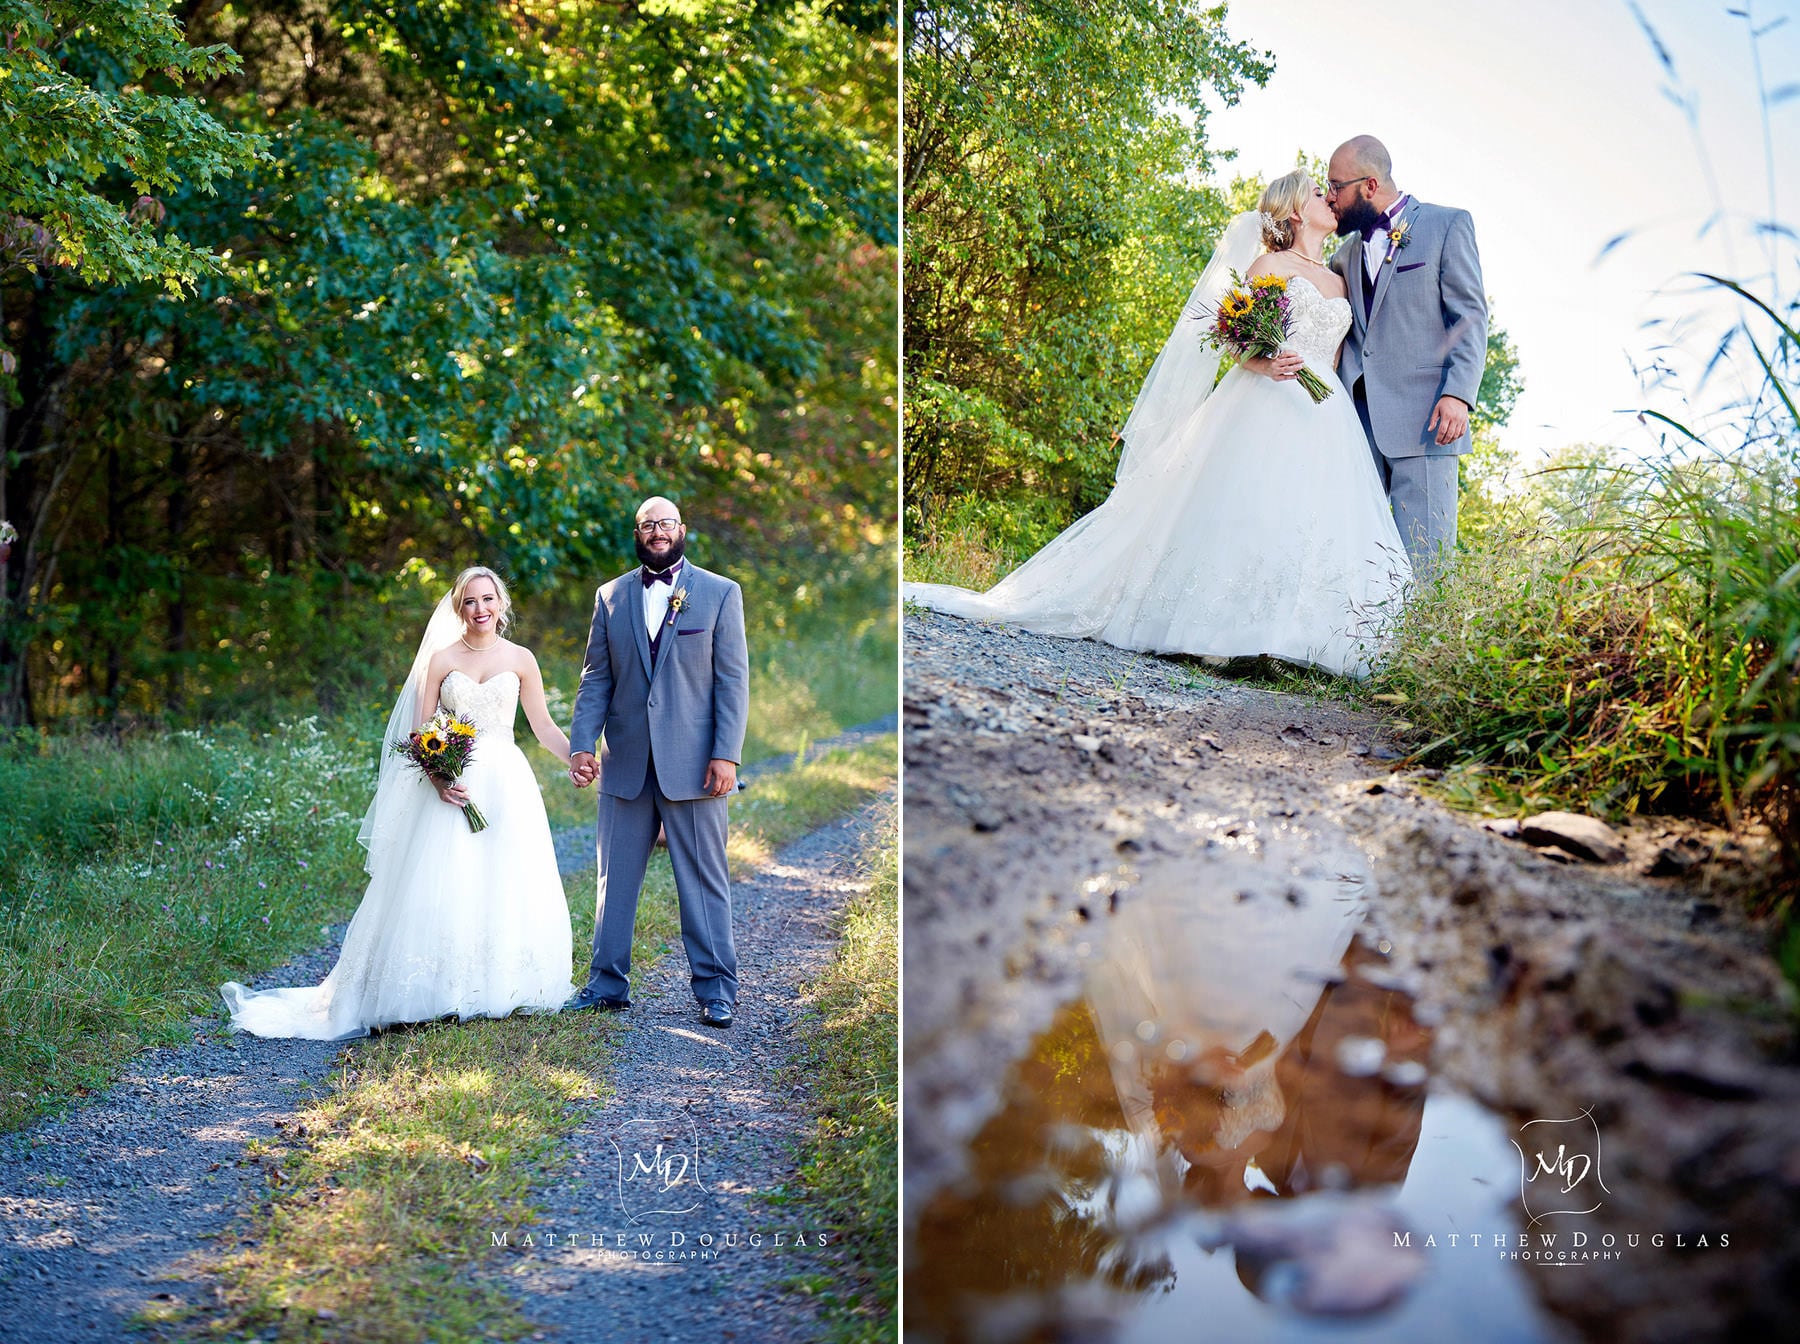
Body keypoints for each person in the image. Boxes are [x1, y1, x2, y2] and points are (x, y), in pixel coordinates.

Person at [903, 170, 1410, 678]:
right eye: (1318, 193)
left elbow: (1337, 357)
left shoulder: (1340, 280)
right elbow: (1234, 342)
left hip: (1324, 411)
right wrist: (1266, 364)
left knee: (1313, 517)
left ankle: (1296, 638)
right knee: (1250, 507)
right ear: (1296, 210)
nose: (1329, 200)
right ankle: (1225, 634)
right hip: (1267, 397)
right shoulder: (1268, 266)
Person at [221, 567, 575, 1039]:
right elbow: (420, 732)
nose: (481, 609)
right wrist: (439, 779)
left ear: (501, 603)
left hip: (507, 782)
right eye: (470, 601)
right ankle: (437, 990)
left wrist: (577, 758)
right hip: (453, 783)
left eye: (488, 599)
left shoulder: (521, 658)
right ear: (458, 608)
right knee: (448, 878)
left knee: (506, 877)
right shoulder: (442, 659)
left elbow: (543, 725)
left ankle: (506, 984)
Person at [564, 497, 749, 1028]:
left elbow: (733, 680)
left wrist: (726, 754)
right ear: (638, 533)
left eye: (666, 523)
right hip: (624, 761)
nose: (658, 531)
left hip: (694, 765)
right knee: (613, 880)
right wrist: (582, 744)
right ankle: (606, 985)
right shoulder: (610, 596)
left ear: (682, 529)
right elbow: (596, 677)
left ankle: (717, 989)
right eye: (648, 524)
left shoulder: (720, 592)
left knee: (704, 881)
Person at [1326, 134, 1487, 578]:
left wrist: (1458, 394)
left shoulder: (1446, 225)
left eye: (1336, 186)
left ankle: (1426, 630)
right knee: (1359, 561)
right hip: (1358, 427)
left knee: (1427, 565)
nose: (1330, 196)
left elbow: (1470, 316)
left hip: (1427, 421)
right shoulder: (1344, 255)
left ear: (1370, 185)